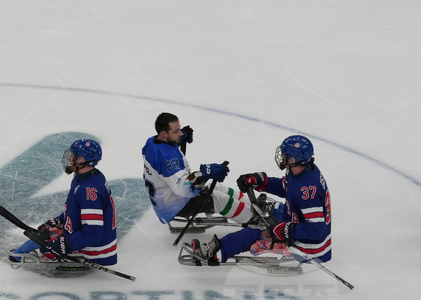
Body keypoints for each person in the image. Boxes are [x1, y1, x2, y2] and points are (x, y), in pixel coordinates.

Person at [190, 135, 331, 265]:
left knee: (253, 232)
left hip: (308, 248)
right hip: (298, 223)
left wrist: (285, 230)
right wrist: (262, 182)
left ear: (293, 159)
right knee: (268, 210)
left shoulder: (307, 191)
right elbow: (287, 187)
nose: (281, 156)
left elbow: (315, 230)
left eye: (284, 154)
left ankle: (214, 253)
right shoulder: (301, 170)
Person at [9, 139, 117, 266]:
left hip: (96, 250)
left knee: (46, 246)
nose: (70, 158)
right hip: (90, 235)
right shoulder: (88, 176)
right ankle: (19, 253)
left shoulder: (88, 191)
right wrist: (62, 219)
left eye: (73, 155)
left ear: (81, 160)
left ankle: (19, 255)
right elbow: (77, 208)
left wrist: (65, 245)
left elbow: (92, 234)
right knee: (44, 234)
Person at [142, 112, 253, 227]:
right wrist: (204, 173)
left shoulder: (151, 143)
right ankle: (253, 220)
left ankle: (252, 206)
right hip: (175, 205)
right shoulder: (168, 159)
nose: (180, 133)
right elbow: (184, 189)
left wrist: (181, 137)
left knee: (217, 187)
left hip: (167, 199)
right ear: (164, 134)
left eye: (179, 129)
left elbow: (162, 154)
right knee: (220, 200)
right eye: (176, 132)